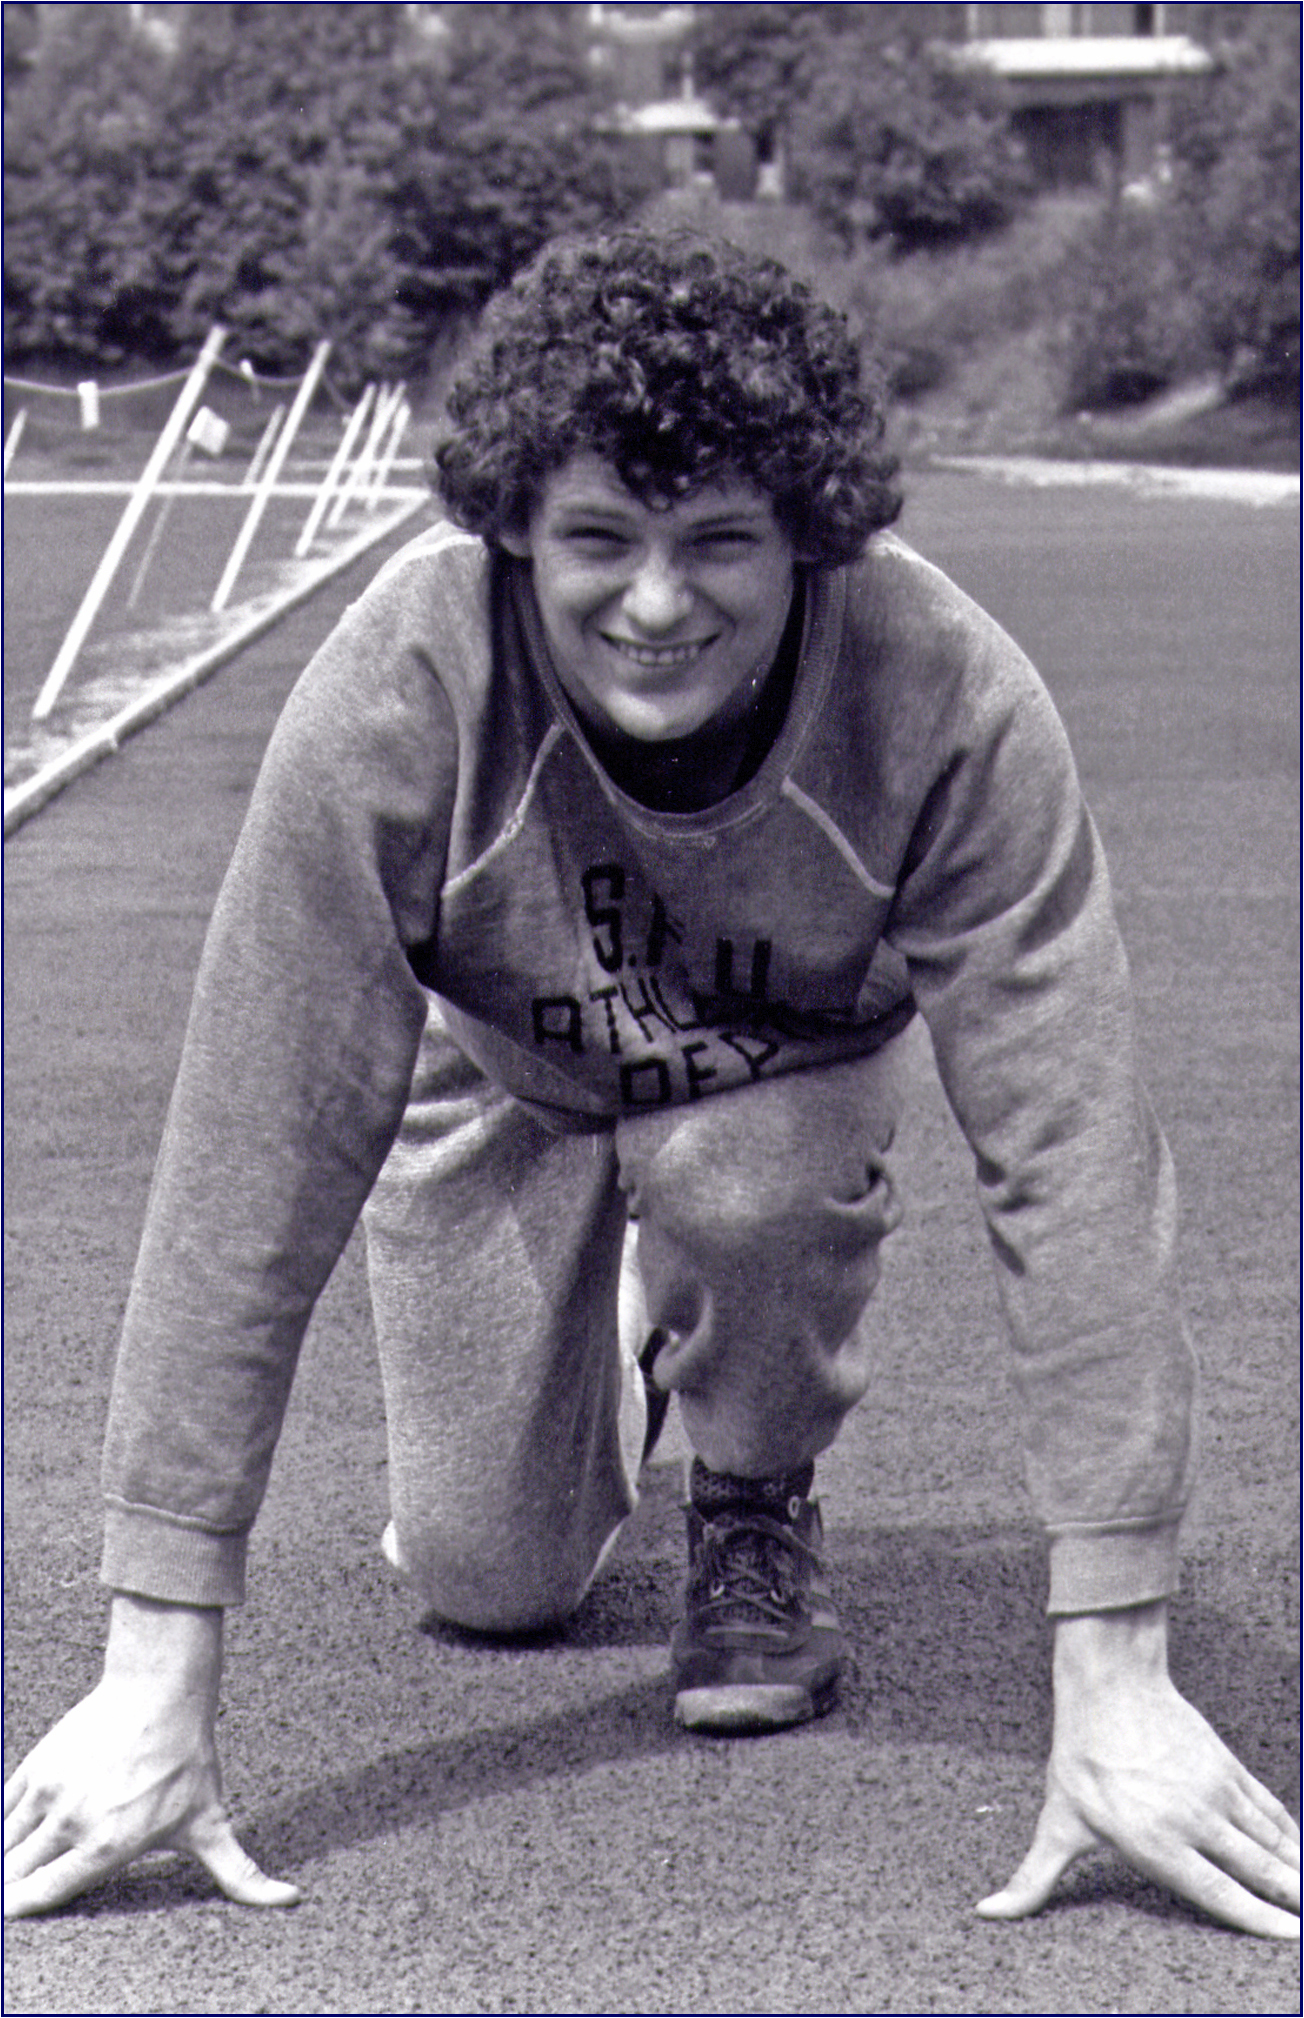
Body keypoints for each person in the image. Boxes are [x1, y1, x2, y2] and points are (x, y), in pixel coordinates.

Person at [4, 229, 1298, 1937]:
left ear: (816, 534)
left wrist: (1119, 1666)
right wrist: (154, 1672)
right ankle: (619, 1335)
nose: (659, 601)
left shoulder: (950, 703)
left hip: (777, 1081)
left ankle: (750, 1493)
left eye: (721, 543)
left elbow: (1075, 1159)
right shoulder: (403, 690)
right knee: (491, 1581)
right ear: (518, 531)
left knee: (740, 1181)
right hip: (505, 1081)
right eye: (600, 540)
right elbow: (254, 1142)